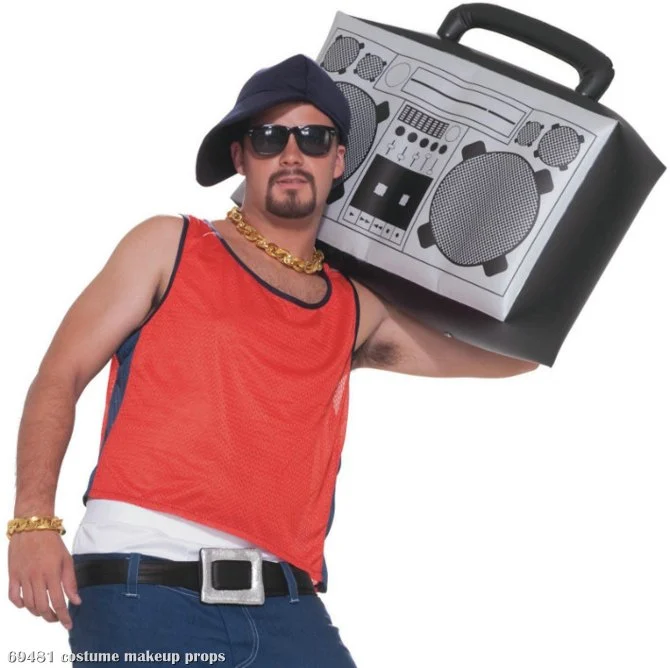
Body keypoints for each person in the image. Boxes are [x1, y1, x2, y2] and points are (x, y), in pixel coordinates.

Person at [7, 53, 538, 667]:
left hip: (285, 602)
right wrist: (32, 521)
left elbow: (511, 357)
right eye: (268, 138)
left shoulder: (354, 308)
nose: (291, 153)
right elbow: (60, 374)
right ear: (241, 157)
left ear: (338, 161)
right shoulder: (170, 244)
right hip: (142, 583)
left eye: (313, 138)